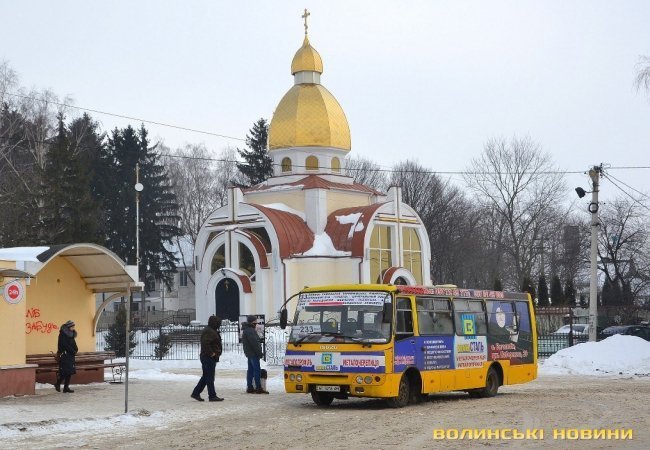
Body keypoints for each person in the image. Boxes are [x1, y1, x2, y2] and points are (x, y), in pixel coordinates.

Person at [191, 315, 224, 402]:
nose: (219, 325)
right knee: (209, 377)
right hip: (208, 357)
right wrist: (212, 353)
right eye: (218, 323)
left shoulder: (211, 330)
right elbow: (205, 343)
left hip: (208, 357)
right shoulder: (209, 331)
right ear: (215, 323)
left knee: (206, 376)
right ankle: (212, 396)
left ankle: (196, 393)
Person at [242, 315, 269, 394]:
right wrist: (259, 353)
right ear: (252, 322)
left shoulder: (247, 330)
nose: (256, 323)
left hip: (249, 353)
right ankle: (258, 388)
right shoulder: (250, 330)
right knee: (257, 370)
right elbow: (255, 343)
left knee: (250, 370)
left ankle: (250, 387)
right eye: (255, 321)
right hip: (253, 353)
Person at [55, 320, 78, 393]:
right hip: (64, 355)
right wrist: (72, 350)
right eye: (72, 326)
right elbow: (64, 345)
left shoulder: (71, 334)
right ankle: (58, 383)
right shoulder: (62, 334)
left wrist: (76, 349)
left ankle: (66, 387)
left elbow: (73, 343)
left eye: (74, 326)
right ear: (68, 326)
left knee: (69, 371)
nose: (73, 328)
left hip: (70, 355)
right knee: (65, 372)